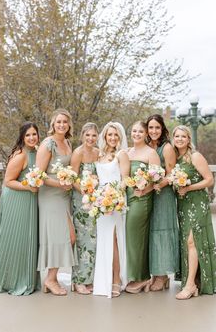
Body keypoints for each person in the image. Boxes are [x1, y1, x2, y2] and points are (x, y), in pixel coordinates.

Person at [0, 122, 40, 295]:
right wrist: (28, 186)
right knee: (17, 238)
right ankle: (12, 280)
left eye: (34, 134)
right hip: (17, 200)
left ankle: (29, 278)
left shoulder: (37, 152)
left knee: (28, 238)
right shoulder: (20, 155)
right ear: (22, 137)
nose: (32, 138)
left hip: (30, 200)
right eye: (28, 135)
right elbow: (8, 181)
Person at [172, 125, 216, 299]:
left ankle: (190, 285)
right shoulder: (176, 159)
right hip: (183, 206)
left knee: (193, 241)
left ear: (188, 139)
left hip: (198, 203)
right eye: (177, 136)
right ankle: (196, 282)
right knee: (188, 243)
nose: (180, 139)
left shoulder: (195, 156)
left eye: (183, 136)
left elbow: (209, 180)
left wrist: (189, 187)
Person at [36, 108, 76, 296]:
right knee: (60, 236)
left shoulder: (67, 142)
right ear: (53, 124)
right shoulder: (47, 144)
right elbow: (39, 175)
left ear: (69, 125)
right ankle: (51, 279)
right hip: (50, 196)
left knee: (69, 236)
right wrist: (59, 184)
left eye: (65, 122)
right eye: (58, 122)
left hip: (64, 195)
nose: (61, 125)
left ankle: (52, 277)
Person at [93, 122, 130, 298]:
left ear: (120, 137)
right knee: (104, 240)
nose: (113, 138)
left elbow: (125, 179)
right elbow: (97, 178)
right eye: (110, 135)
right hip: (101, 204)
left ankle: (116, 279)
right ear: (105, 136)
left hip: (115, 203)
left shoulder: (122, 154)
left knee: (115, 240)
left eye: (116, 135)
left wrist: (115, 196)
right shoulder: (99, 155)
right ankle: (103, 279)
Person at [125, 121, 160, 293]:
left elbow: (158, 179)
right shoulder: (127, 152)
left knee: (136, 237)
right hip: (127, 199)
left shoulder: (150, 153)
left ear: (146, 134)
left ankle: (142, 277)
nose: (137, 134)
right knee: (130, 237)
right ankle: (133, 275)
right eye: (134, 131)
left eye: (140, 131)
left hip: (142, 199)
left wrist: (144, 190)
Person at [146, 114, 179, 291]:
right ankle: (155, 273)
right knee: (151, 231)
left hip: (163, 195)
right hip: (147, 194)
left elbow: (172, 174)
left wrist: (157, 184)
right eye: (150, 127)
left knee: (161, 231)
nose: (153, 131)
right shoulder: (146, 146)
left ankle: (162, 275)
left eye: (157, 127)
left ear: (163, 129)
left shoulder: (166, 148)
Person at [71, 122, 99, 294]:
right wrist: (83, 189)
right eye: (87, 135)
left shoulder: (98, 153)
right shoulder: (78, 153)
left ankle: (89, 278)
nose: (91, 138)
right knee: (82, 241)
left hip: (96, 202)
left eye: (94, 135)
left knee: (93, 241)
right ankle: (78, 280)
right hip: (81, 201)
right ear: (82, 135)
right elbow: (73, 177)